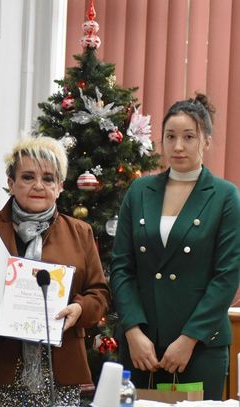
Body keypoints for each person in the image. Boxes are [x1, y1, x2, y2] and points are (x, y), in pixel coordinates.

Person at [0, 136, 110, 406]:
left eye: (48, 179)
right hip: (1, 370)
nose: (38, 185)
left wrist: (80, 309)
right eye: (27, 177)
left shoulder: (80, 232)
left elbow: (99, 294)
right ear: (11, 183)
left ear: (59, 187)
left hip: (61, 373)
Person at [110, 94, 240, 400]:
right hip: (141, 347)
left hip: (199, 347)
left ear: (206, 141)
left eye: (189, 137)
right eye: (170, 136)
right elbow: (122, 267)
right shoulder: (140, 191)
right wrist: (133, 331)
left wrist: (189, 339)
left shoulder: (225, 197)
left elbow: (226, 276)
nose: (178, 146)